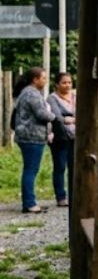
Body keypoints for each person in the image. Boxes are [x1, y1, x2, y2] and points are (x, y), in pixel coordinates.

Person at [12, 67, 56, 213]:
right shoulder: (32, 94)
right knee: (31, 170)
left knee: (30, 169)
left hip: (29, 136)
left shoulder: (28, 92)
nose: (45, 80)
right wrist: (53, 116)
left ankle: (30, 200)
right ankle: (29, 203)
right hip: (31, 136)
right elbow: (42, 114)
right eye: (43, 78)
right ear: (35, 79)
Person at [46, 72, 75, 208]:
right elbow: (57, 116)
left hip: (75, 137)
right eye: (64, 82)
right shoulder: (52, 98)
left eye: (69, 82)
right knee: (60, 166)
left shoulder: (75, 96)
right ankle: (61, 197)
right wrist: (66, 118)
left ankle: (74, 195)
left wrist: (71, 119)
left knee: (74, 167)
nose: (67, 85)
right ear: (57, 84)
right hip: (60, 137)